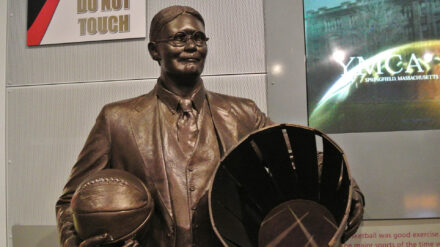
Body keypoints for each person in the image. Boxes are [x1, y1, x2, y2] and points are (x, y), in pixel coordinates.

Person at [56, 5, 364, 247]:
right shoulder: (117, 119)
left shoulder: (243, 114)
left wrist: (346, 189)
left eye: (198, 38)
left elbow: (301, 159)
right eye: (179, 38)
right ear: (154, 51)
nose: (191, 45)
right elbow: (70, 200)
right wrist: (76, 242)